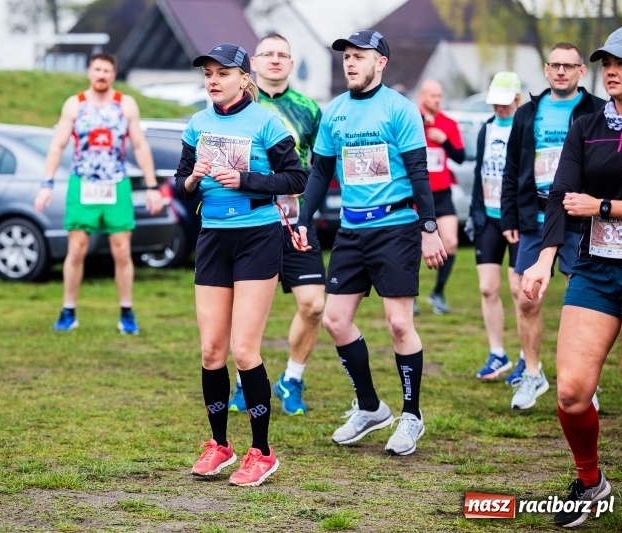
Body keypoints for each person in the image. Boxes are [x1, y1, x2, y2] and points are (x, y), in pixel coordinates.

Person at [294, 30, 446, 455]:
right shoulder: (335, 111)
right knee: (335, 321)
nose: (350, 62)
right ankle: (370, 407)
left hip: (396, 226)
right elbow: (321, 172)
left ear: (380, 62)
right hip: (351, 229)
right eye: (346, 56)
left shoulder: (400, 109)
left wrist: (429, 225)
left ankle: (411, 416)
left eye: (360, 56)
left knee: (399, 323)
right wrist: (305, 218)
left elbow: (419, 170)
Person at [174, 43, 307, 486]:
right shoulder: (197, 123)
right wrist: (192, 179)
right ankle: (219, 446)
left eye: (223, 73)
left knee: (244, 350)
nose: (213, 80)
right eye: (208, 73)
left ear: (243, 78)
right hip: (213, 237)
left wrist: (246, 179)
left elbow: (297, 178)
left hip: (257, 237)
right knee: (212, 350)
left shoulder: (268, 121)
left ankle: (262, 452)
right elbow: (182, 184)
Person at [519, 26, 622, 528]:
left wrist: (604, 206)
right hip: (595, 268)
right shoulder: (586, 126)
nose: (612, 70)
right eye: (607, 61)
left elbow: (588, 202)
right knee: (571, 392)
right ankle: (589, 480)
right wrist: (543, 259)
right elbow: (563, 195)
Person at [500, 42, 606, 409]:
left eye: (569, 66)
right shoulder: (527, 113)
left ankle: (585, 380)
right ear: (546, 70)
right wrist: (509, 216)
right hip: (536, 219)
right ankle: (532, 374)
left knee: (585, 301)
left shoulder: (597, 111)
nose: (561, 71)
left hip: (581, 217)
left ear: (581, 71)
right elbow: (512, 169)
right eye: (555, 65)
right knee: (527, 299)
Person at [226, 33, 324, 416]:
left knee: (314, 305)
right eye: (268, 53)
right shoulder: (236, 105)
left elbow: (318, 167)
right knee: (242, 307)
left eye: (283, 54)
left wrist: (311, 209)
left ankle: (292, 379)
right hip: (247, 218)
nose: (275, 60)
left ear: (292, 63)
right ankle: (241, 383)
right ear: (253, 60)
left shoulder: (308, 109)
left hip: (294, 218)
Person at [34, 52, 164, 334]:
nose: (102, 75)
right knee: (77, 249)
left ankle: (127, 313)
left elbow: (140, 146)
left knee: (122, 251)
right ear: (89, 72)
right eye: (97, 69)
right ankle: (68, 311)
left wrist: (153, 187)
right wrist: (46, 184)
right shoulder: (75, 104)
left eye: (107, 70)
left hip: (116, 184)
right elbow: (57, 145)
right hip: (83, 184)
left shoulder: (125, 104)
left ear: (113, 74)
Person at [468, 72, 523, 380]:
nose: (499, 109)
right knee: (488, 287)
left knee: (519, 291)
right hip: (487, 217)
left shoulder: (524, 128)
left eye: (505, 104)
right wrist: (476, 214)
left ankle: (528, 357)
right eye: (495, 104)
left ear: (517, 100)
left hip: (515, 220)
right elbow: (479, 173)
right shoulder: (486, 129)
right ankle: (497, 354)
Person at [416, 79, 465, 315]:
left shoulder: (448, 123)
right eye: (433, 96)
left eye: (439, 96)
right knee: (412, 247)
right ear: (422, 96)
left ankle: (438, 292)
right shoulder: (411, 120)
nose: (437, 100)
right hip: (416, 194)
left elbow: (461, 157)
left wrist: (444, 142)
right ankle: (410, 295)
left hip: (442, 193)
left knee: (451, 242)